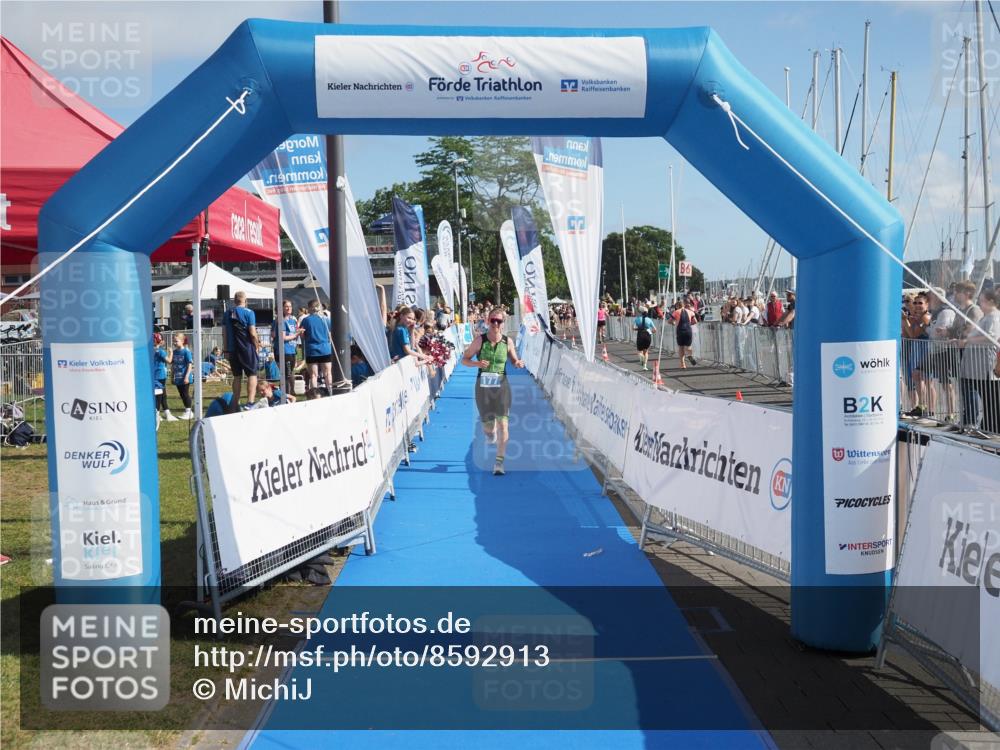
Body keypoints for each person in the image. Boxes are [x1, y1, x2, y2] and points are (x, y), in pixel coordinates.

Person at [462, 307, 525, 476]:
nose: (495, 324)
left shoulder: (507, 342)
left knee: (503, 423)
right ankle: (490, 434)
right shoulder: (479, 340)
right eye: (493, 320)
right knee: (488, 427)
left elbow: (514, 359)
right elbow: (464, 360)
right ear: (487, 321)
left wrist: (517, 363)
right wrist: (477, 364)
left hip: (502, 386)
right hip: (483, 387)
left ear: (503, 323)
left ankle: (499, 463)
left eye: (499, 321)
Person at [958, 287, 996, 431]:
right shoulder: (986, 317)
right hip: (975, 367)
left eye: (982, 301)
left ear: (991, 301)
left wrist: (968, 340)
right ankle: (982, 426)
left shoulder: (994, 317)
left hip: (985, 366)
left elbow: (992, 338)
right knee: (984, 398)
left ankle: (990, 428)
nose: (979, 303)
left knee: (989, 400)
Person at [224, 290, 261, 413]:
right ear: (245, 300)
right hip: (246, 348)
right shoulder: (249, 312)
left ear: (234, 300)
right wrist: (256, 346)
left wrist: (226, 349)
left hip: (232, 349)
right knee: (252, 374)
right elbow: (252, 332)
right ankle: (250, 402)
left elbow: (224, 332)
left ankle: (235, 403)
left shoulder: (227, 313)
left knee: (237, 376)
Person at [300, 298, 334, 394]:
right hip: (325, 349)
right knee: (328, 373)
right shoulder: (326, 319)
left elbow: (302, 335)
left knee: (313, 375)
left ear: (310, 308)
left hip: (312, 350)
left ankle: (314, 395)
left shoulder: (306, 320)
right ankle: (330, 392)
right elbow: (330, 335)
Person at [272, 299, 300, 395]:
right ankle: (286, 394)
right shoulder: (280, 321)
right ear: (282, 308)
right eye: (286, 306)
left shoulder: (293, 320)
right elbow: (281, 337)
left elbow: (295, 333)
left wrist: (298, 333)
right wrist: (295, 335)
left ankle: (291, 391)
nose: (289, 308)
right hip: (283, 351)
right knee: (287, 374)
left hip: (292, 350)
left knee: (290, 372)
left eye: (290, 306)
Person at [170, 333, 195, 420]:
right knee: (181, 394)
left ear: (182, 341)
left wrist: (187, 376)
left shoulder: (186, 352)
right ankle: (187, 410)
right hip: (178, 377)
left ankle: (189, 412)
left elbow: (189, 365)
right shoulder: (174, 352)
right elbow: (173, 365)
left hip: (185, 377)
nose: (174, 343)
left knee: (185, 394)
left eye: (176, 341)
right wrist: (172, 376)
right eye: (174, 341)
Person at [152, 333, 176, 423]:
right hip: (160, 375)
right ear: (159, 341)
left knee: (161, 395)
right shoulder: (161, 351)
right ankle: (157, 414)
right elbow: (169, 361)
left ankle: (166, 412)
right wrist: (171, 352)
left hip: (154, 375)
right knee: (160, 395)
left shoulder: (150, 350)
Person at [670, 300, 696, 369]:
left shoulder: (676, 312)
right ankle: (690, 355)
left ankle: (683, 364)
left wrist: (673, 323)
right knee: (688, 346)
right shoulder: (690, 311)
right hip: (688, 330)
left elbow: (669, 321)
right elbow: (695, 321)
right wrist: (689, 324)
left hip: (680, 331)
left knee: (681, 347)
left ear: (677, 306)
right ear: (683, 305)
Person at [633, 306, 656, 370]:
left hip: (640, 335)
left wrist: (638, 329)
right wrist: (650, 331)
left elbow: (633, 328)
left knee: (640, 350)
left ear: (640, 312)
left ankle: (641, 357)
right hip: (647, 335)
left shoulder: (637, 319)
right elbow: (655, 329)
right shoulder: (649, 319)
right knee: (646, 351)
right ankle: (645, 366)